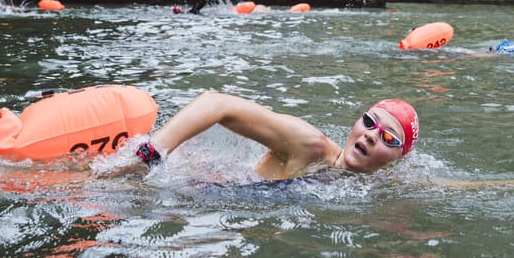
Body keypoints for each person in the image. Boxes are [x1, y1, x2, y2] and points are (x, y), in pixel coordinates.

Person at [127, 91, 418, 179]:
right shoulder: (311, 145)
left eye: (388, 138)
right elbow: (216, 103)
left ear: (397, 158)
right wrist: (149, 154)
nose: (370, 136)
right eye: (369, 122)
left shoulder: (383, 180)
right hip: (199, 187)